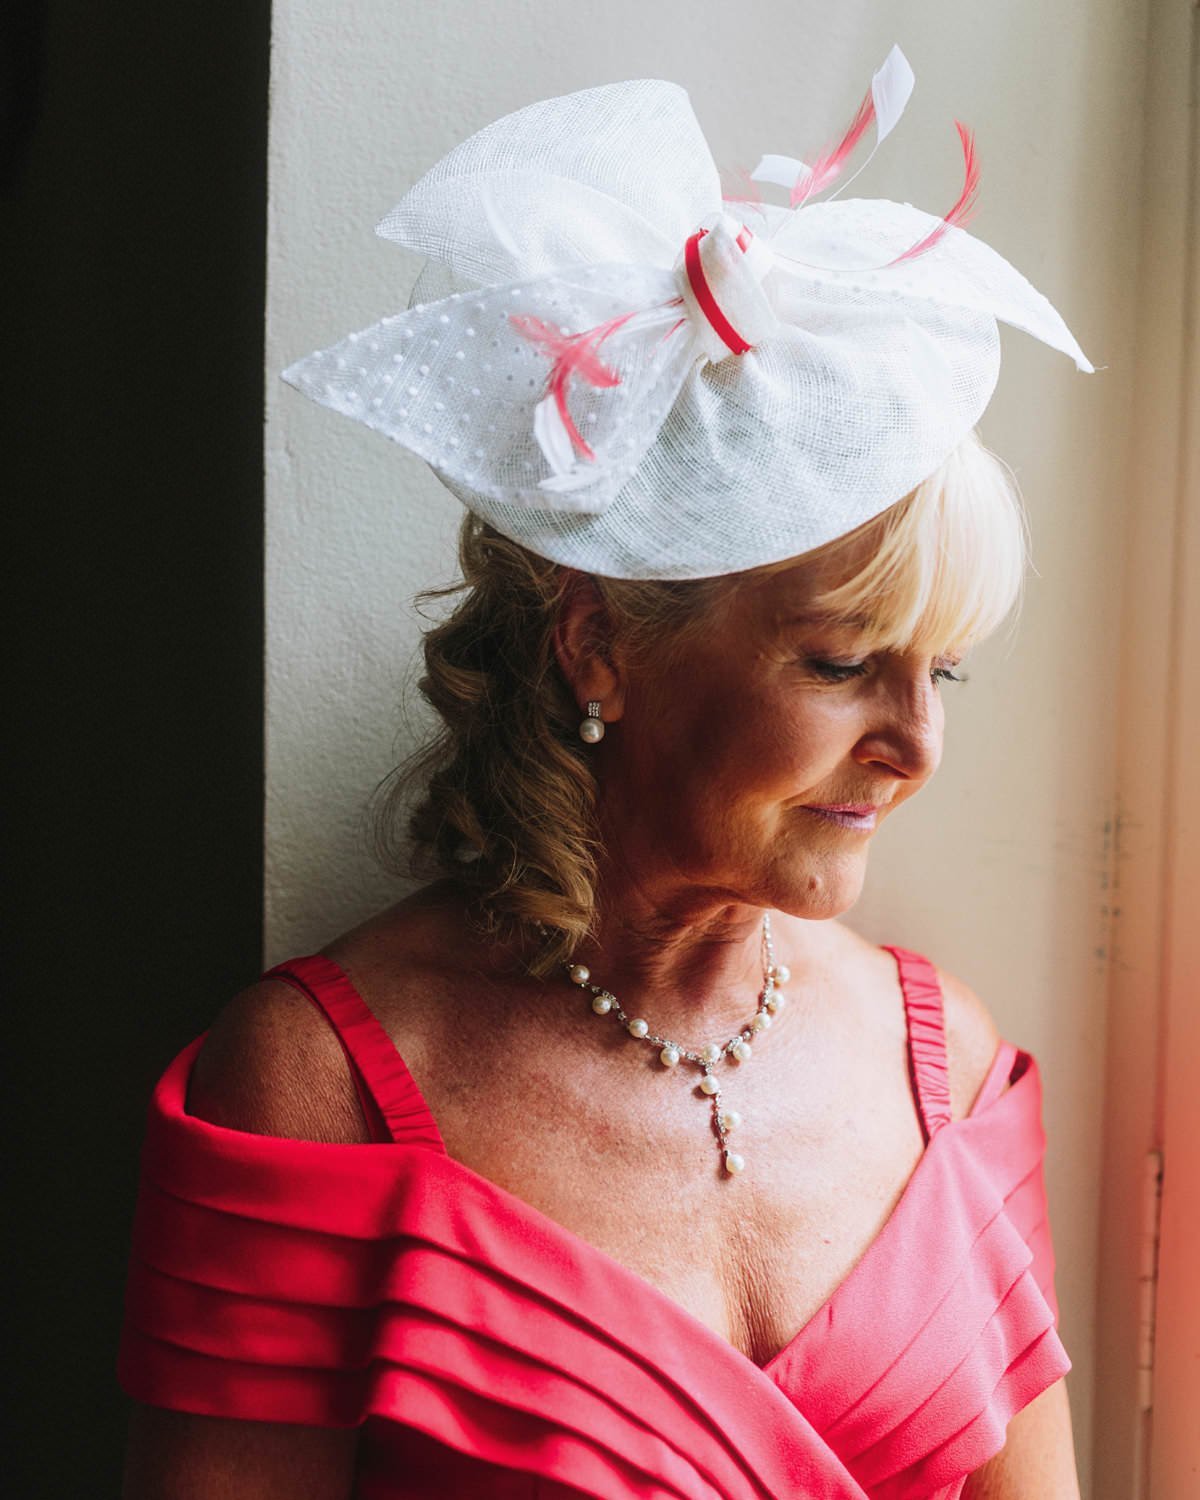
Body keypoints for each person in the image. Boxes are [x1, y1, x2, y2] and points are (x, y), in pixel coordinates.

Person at [119, 55, 1092, 1499]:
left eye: (938, 670)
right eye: (841, 663)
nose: (917, 745)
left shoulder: (938, 1062)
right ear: (600, 648)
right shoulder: (317, 1087)